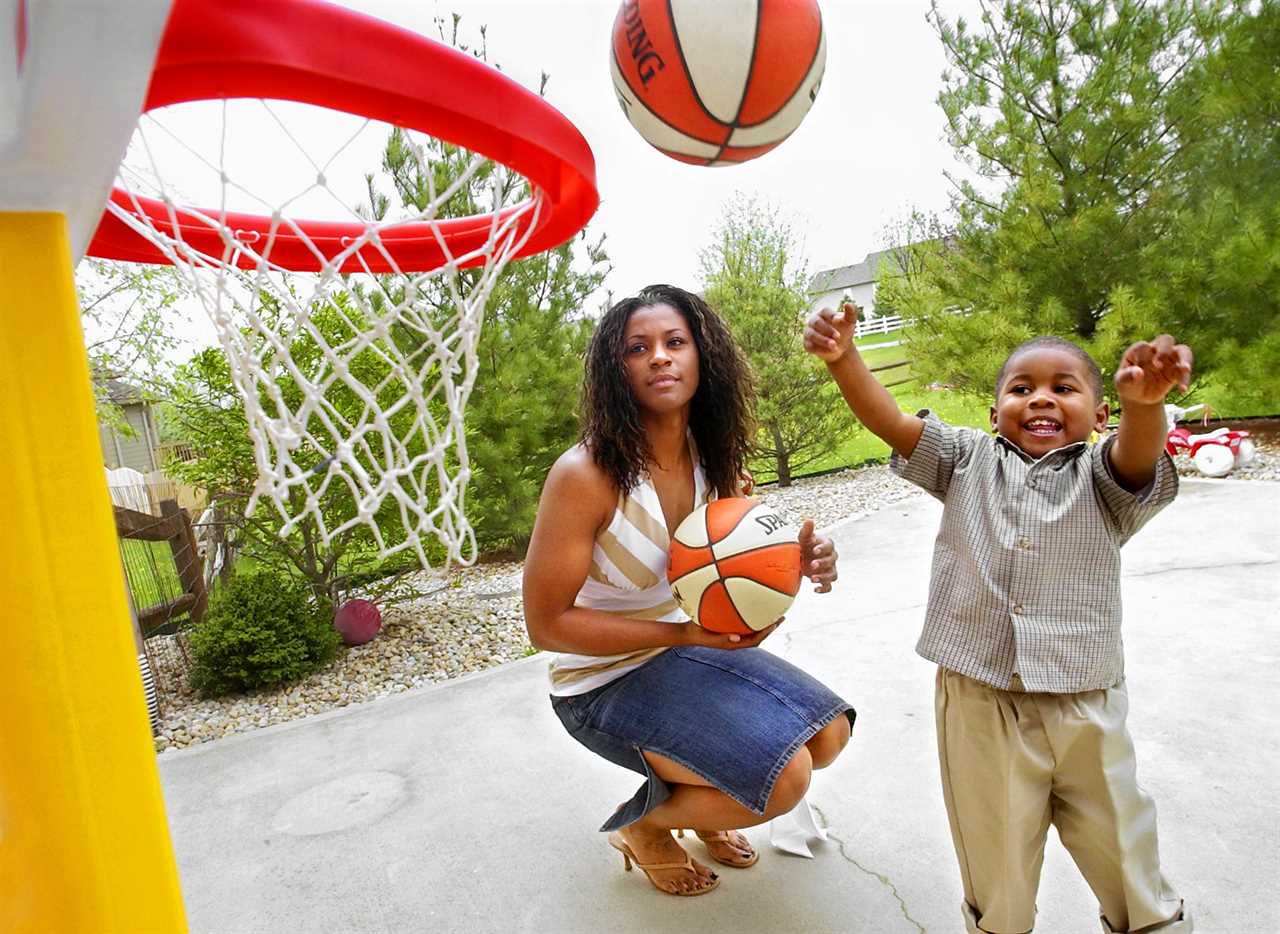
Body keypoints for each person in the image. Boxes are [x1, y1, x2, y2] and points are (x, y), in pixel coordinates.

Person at [804, 303, 1193, 934]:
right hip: (980, 697)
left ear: (1098, 418)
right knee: (995, 853)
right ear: (993, 414)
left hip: (1084, 698)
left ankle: (1149, 924)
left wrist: (1144, 407)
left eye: (1063, 389)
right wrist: (844, 358)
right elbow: (893, 422)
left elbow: (1138, 456)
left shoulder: (1104, 478)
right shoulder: (966, 460)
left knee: (1121, 840)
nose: (1041, 399)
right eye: (1022, 388)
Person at [523, 284, 856, 897]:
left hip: (684, 652)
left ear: (702, 356)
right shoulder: (584, 475)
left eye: (675, 342)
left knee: (830, 735)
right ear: (613, 369)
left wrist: (799, 563)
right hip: (600, 682)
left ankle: (703, 808)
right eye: (637, 347)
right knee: (783, 783)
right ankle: (645, 827)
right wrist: (684, 634)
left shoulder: (715, 457)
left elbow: (735, 571)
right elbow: (546, 626)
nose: (659, 357)